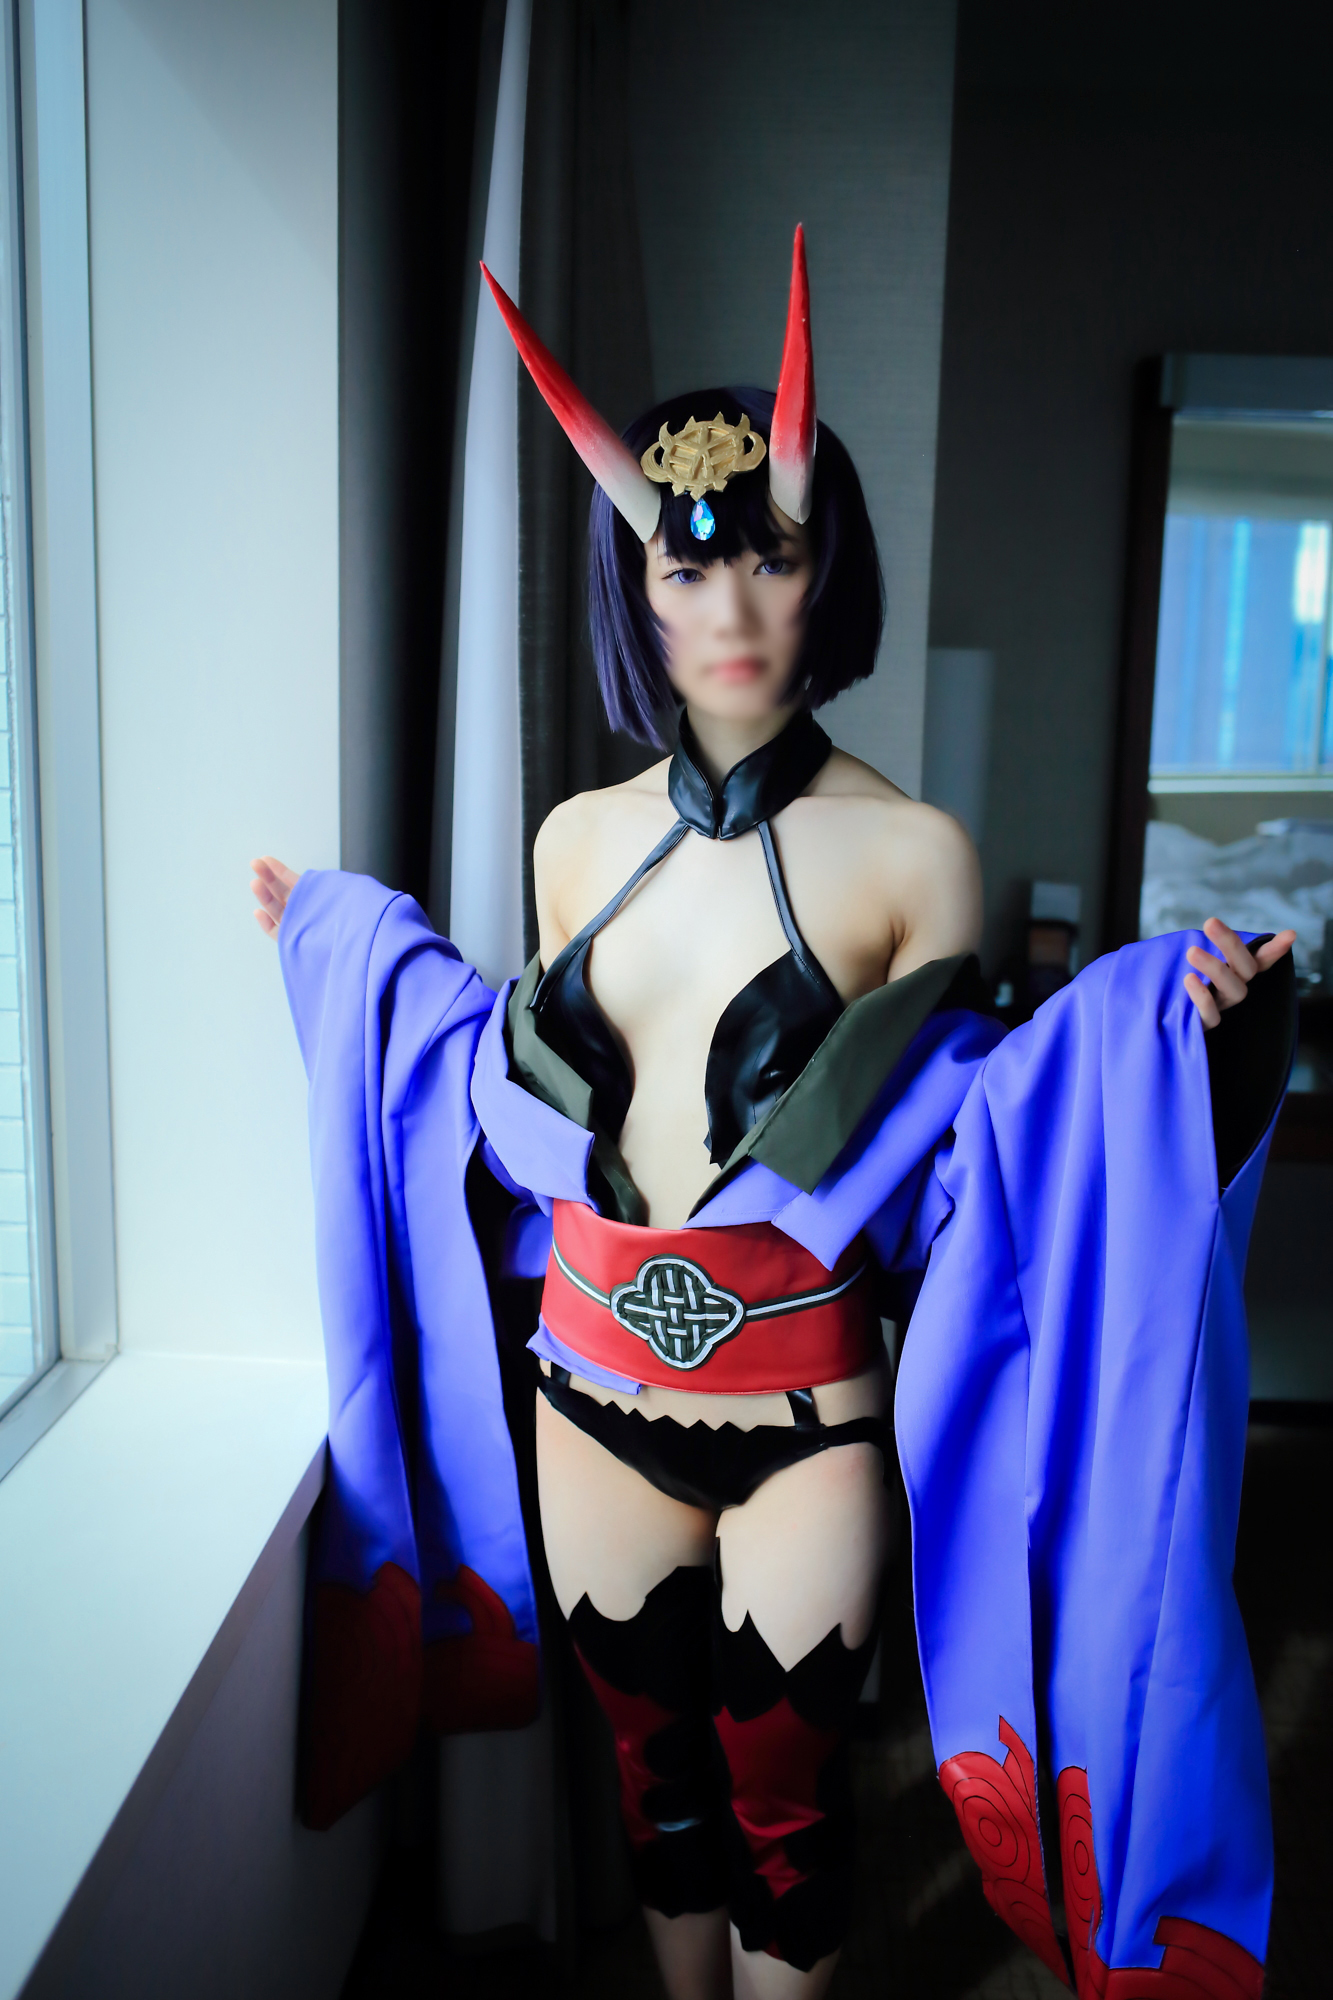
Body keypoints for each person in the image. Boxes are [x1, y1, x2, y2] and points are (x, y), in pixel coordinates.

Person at [251, 233, 1292, 2000]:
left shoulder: (913, 856)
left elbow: (984, 1135)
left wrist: (1167, 1023)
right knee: (654, 1803)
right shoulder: (572, 841)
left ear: (827, 574)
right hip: (588, 1405)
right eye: (686, 564)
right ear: (639, 586)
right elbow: (507, 1082)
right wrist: (336, 942)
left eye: (773, 556)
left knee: (789, 1825)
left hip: (804, 1419)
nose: (730, 612)